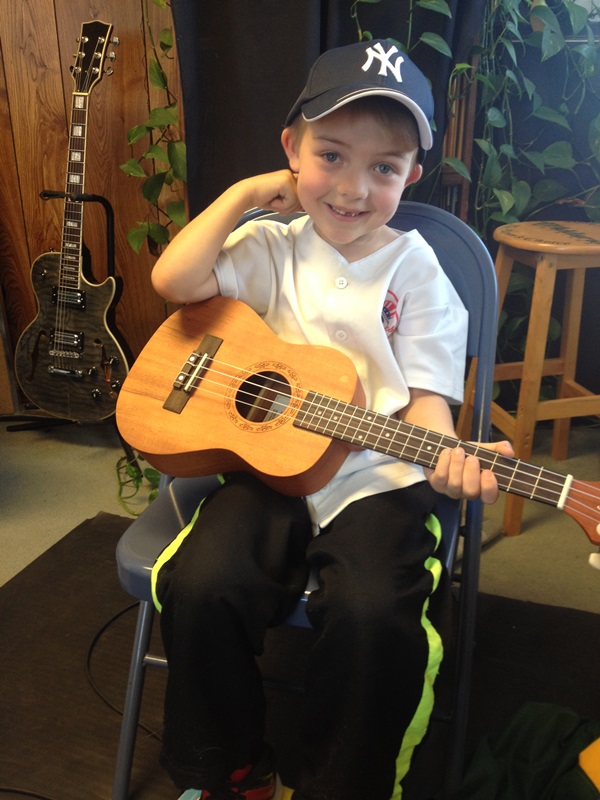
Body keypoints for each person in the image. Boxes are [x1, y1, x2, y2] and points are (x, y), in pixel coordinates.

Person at [150, 39, 514, 800]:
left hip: (378, 476)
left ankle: (336, 786)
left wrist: (449, 456)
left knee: (374, 612)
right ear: (292, 150)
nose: (352, 189)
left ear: (412, 174)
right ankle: (233, 768)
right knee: (202, 582)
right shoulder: (269, 247)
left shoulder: (418, 271)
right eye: (331, 156)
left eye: (384, 168)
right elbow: (173, 278)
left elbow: (428, 402)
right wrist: (248, 195)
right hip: (266, 470)